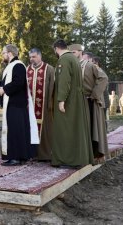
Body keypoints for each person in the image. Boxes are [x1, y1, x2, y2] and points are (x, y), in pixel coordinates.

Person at [0, 45, 38, 166]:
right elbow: (8, 83)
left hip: (16, 104)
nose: (2, 55)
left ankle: (15, 157)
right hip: (13, 104)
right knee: (16, 131)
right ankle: (19, 156)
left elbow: (18, 82)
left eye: (3, 53)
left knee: (15, 131)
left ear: (9, 53)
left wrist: (4, 89)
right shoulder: (11, 66)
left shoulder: (18, 65)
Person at [51, 40, 94, 168]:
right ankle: (78, 158)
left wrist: (61, 100)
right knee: (76, 129)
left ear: (56, 48)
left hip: (69, 100)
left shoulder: (63, 60)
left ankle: (67, 159)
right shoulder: (74, 59)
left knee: (66, 129)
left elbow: (64, 81)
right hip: (76, 98)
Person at [69, 45, 109, 158]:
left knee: (91, 128)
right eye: (70, 52)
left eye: (74, 52)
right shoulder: (73, 66)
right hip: (77, 102)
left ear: (80, 52)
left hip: (89, 102)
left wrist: (95, 94)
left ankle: (92, 153)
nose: (72, 54)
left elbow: (104, 78)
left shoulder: (90, 65)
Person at [27, 48, 55, 161]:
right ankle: (31, 153)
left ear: (40, 56)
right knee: (30, 129)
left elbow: (53, 88)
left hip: (45, 107)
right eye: (30, 57)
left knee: (45, 131)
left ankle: (44, 155)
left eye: (34, 57)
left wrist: (51, 104)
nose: (31, 59)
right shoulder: (27, 69)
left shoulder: (49, 69)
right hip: (29, 107)